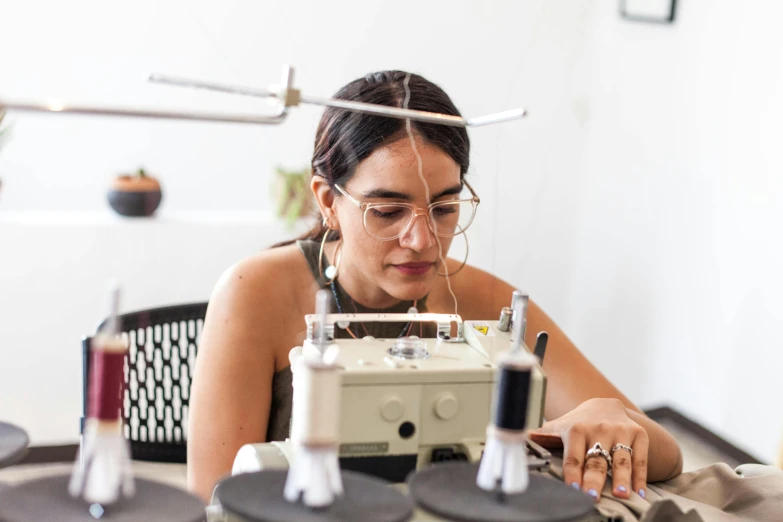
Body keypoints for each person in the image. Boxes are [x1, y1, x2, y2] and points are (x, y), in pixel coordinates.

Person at [186, 71, 683, 503]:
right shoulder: (254, 294)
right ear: (327, 200)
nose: (423, 241)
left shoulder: (479, 300)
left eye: (444, 209)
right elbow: (215, 498)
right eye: (386, 212)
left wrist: (608, 415)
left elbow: (667, 454)